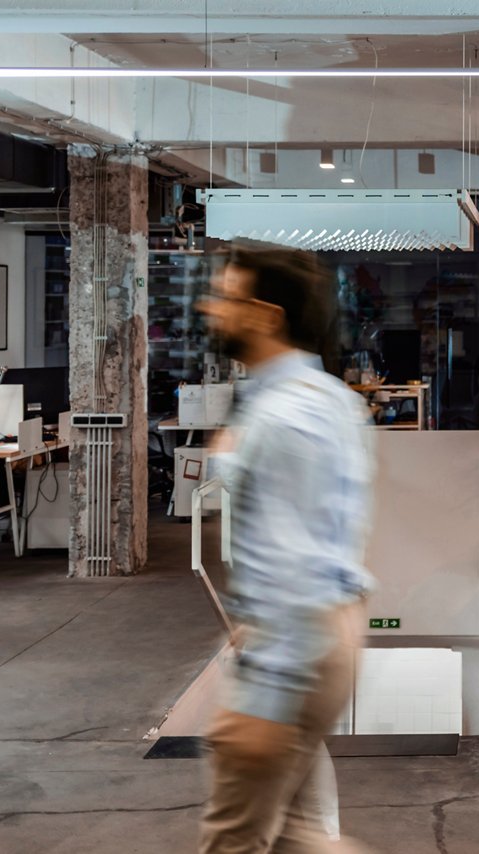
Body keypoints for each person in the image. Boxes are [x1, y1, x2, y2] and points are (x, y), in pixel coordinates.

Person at [197, 243, 373, 853]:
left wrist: (265, 688)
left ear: (265, 315)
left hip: (297, 642)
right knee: (298, 837)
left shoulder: (284, 417)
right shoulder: (327, 399)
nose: (209, 307)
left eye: (226, 297)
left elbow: (297, 559)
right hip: (319, 629)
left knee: (233, 839)